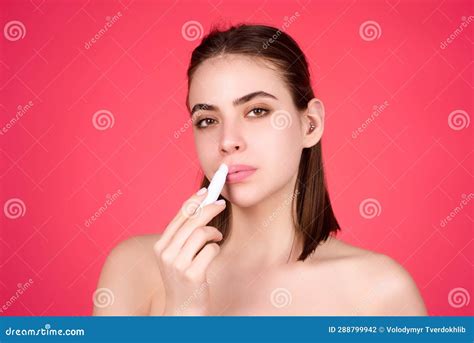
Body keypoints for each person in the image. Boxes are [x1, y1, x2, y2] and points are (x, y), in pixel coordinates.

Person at [93, 24, 427, 316]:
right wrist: (184, 309)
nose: (228, 141)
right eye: (207, 120)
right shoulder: (135, 268)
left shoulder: (380, 290)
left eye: (257, 111)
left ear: (310, 124)